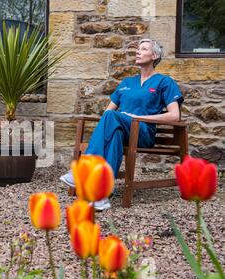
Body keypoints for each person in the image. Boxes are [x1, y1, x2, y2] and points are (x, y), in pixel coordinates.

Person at [60, 38, 184, 211]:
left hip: (142, 132)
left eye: (144, 48)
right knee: (114, 132)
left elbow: (174, 116)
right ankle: (101, 197)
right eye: (138, 49)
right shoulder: (126, 83)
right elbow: (108, 112)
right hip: (121, 130)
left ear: (154, 55)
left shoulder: (164, 82)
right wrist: (120, 120)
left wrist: (137, 118)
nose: (138, 52)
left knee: (112, 117)